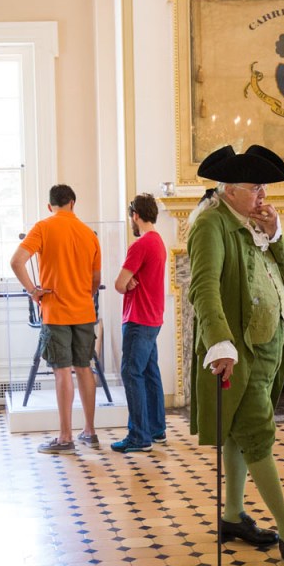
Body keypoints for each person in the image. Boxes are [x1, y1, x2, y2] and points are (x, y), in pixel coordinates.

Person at [187, 144, 284, 566]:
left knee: (238, 433)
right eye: (256, 187)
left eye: (264, 187)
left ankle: (234, 517)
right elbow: (204, 288)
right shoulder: (210, 226)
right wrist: (219, 342)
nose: (263, 195)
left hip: (270, 345)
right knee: (257, 433)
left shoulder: (255, 221)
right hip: (239, 351)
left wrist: (275, 231)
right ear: (229, 189)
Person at [10, 184, 102, 454]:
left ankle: (65, 437)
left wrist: (33, 291)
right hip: (84, 310)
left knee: (62, 371)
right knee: (84, 368)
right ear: (74, 203)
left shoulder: (43, 227)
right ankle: (90, 431)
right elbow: (96, 280)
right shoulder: (89, 234)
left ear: (50, 206)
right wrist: (83, 294)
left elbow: (16, 261)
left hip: (56, 311)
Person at [110, 193, 167, 454]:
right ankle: (156, 429)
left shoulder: (141, 245)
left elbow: (119, 284)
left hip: (138, 317)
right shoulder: (159, 242)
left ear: (135, 215)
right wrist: (131, 280)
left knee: (131, 373)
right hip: (153, 317)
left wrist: (128, 282)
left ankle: (139, 436)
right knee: (149, 372)